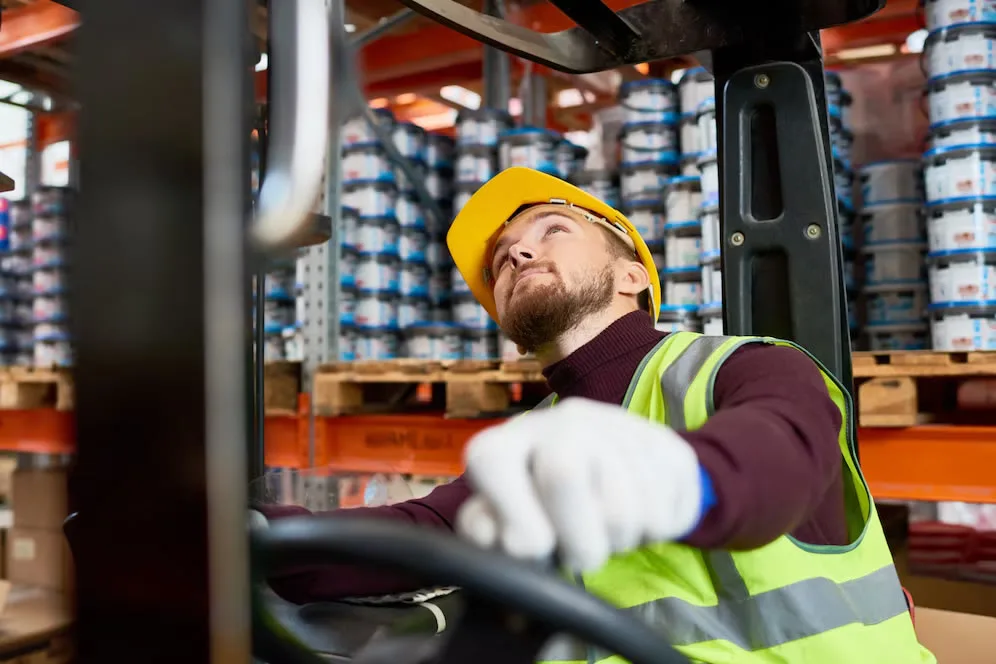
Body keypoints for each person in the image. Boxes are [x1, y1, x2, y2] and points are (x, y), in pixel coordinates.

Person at [256, 167, 933, 662]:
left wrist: (676, 478)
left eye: (552, 230)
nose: (518, 252)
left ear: (633, 274)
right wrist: (244, 536)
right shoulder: (536, 441)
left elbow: (779, 457)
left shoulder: (746, 368)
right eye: (501, 259)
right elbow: (414, 534)